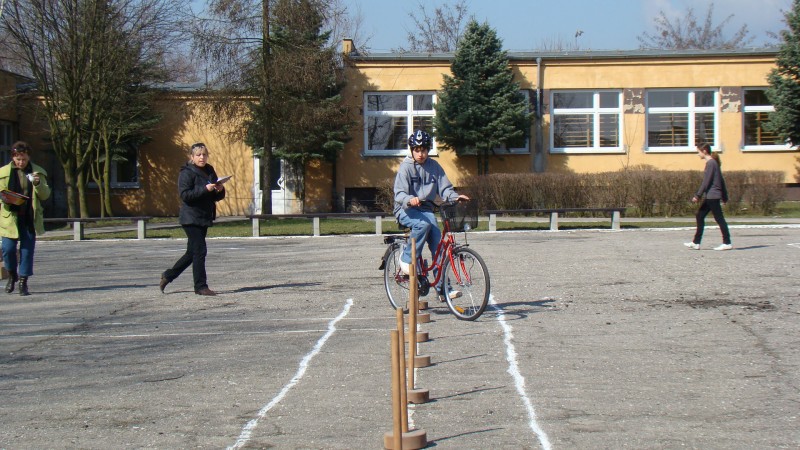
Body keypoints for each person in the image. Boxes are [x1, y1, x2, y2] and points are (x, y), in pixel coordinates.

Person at [393, 129, 469, 299]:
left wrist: (456, 197)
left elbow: (445, 189)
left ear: (428, 150)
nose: (421, 154)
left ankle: (443, 289)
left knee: (439, 244)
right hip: (405, 209)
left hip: (426, 210)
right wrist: (409, 199)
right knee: (423, 224)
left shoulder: (434, 166)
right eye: (417, 150)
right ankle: (406, 259)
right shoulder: (405, 167)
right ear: (411, 150)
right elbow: (399, 194)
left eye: (424, 150)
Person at [160, 142, 226, 296]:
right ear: (192, 157)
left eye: (204, 154)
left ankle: (168, 276)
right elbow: (185, 195)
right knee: (200, 250)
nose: (202, 157)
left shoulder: (209, 170)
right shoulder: (186, 172)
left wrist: (220, 189)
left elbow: (216, 196)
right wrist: (204, 189)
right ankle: (201, 287)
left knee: (192, 252)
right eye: (198, 155)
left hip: (204, 216)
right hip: (190, 217)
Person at [0, 141, 51, 296]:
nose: (21, 162)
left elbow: (45, 195)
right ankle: (12, 274)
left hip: (29, 217)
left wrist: (37, 184)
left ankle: (23, 282)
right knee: (8, 249)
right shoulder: (3, 172)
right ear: (13, 157)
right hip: (10, 217)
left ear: (28, 157)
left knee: (27, 251)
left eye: (24, 159)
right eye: (18, 159)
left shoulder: (37, 173)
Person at [684, 143, 732, 251]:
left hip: (713, 196)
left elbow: (706, 182)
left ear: (704, 151)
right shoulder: (713, 163)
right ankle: (696, 242)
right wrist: (724, 196)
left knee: (719, 219)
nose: (698, 154)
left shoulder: (711, 163)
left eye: (698, 152)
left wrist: (698, 195)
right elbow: (721, 180)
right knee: (700, 216)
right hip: (711, 196)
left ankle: (727, 242)